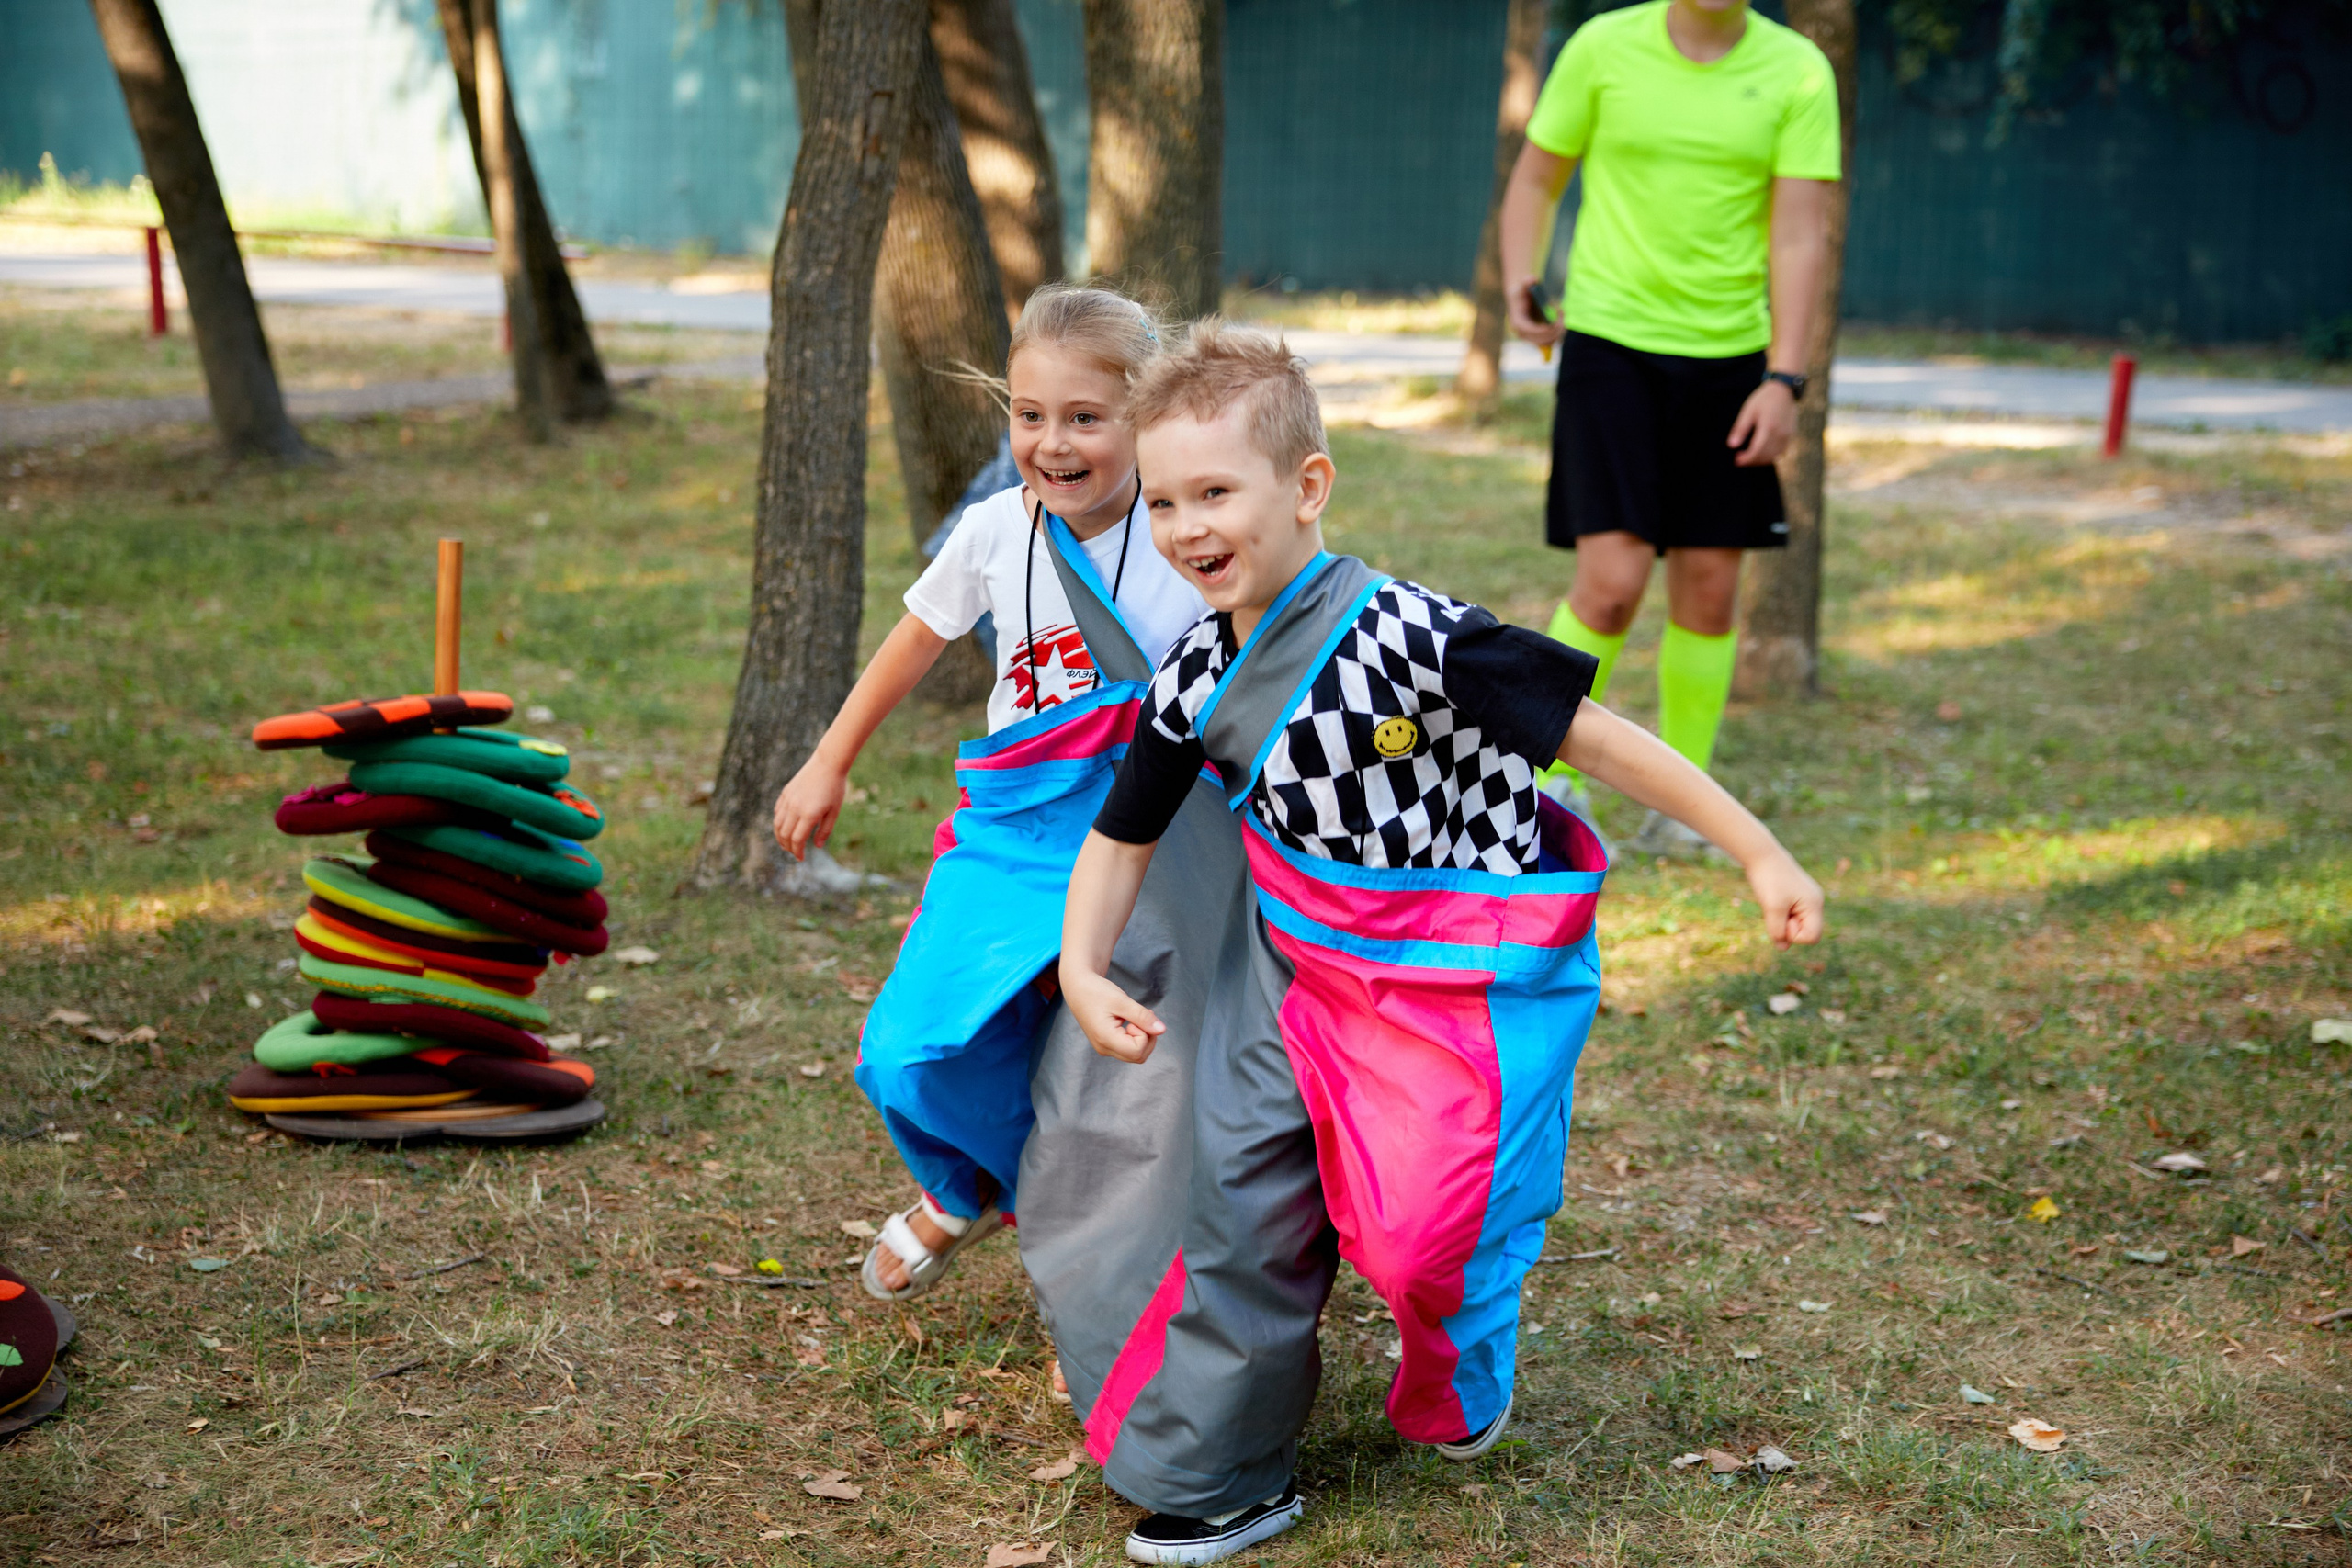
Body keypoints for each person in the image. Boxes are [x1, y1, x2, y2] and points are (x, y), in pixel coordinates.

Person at [1058, 323, 1825, 1561]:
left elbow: (1601, 736)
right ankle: (1227, 1470)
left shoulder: (1421, 637)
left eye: (1214, 490)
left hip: (1450, 984)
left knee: (1421, 1239)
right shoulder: (1192, 678)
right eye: (1161, 500)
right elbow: (1122, 833)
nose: (1185, 524)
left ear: (1308, 487)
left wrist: (1756, 846)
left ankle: (1465, 1340)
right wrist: (1086, 963)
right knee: (1239, 1200)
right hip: (1298, 980)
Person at [773, 284, 1205, 1299]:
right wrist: (827, 759)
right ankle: (973, 1187)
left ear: (1144, 418)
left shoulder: (1188, 532)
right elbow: (914, 639)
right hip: (1014, 831)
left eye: (1086, 418)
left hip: (1151, 831)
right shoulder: (990, 533)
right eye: (1029, 415)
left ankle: (1101, 1278)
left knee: (1125, 1068)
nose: (1053, 444)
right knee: (909, 1051)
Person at [1498, 0, 1840, 858]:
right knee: (1609, 584)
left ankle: (1687, 803)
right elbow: (1538, 177)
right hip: (1611, 346)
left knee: (1710, 589)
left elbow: (1801, 237)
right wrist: (1521, 279)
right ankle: (1537, 776)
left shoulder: (1798, 70)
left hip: (1732, 362)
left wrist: (1785, 379)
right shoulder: (1603, 47)